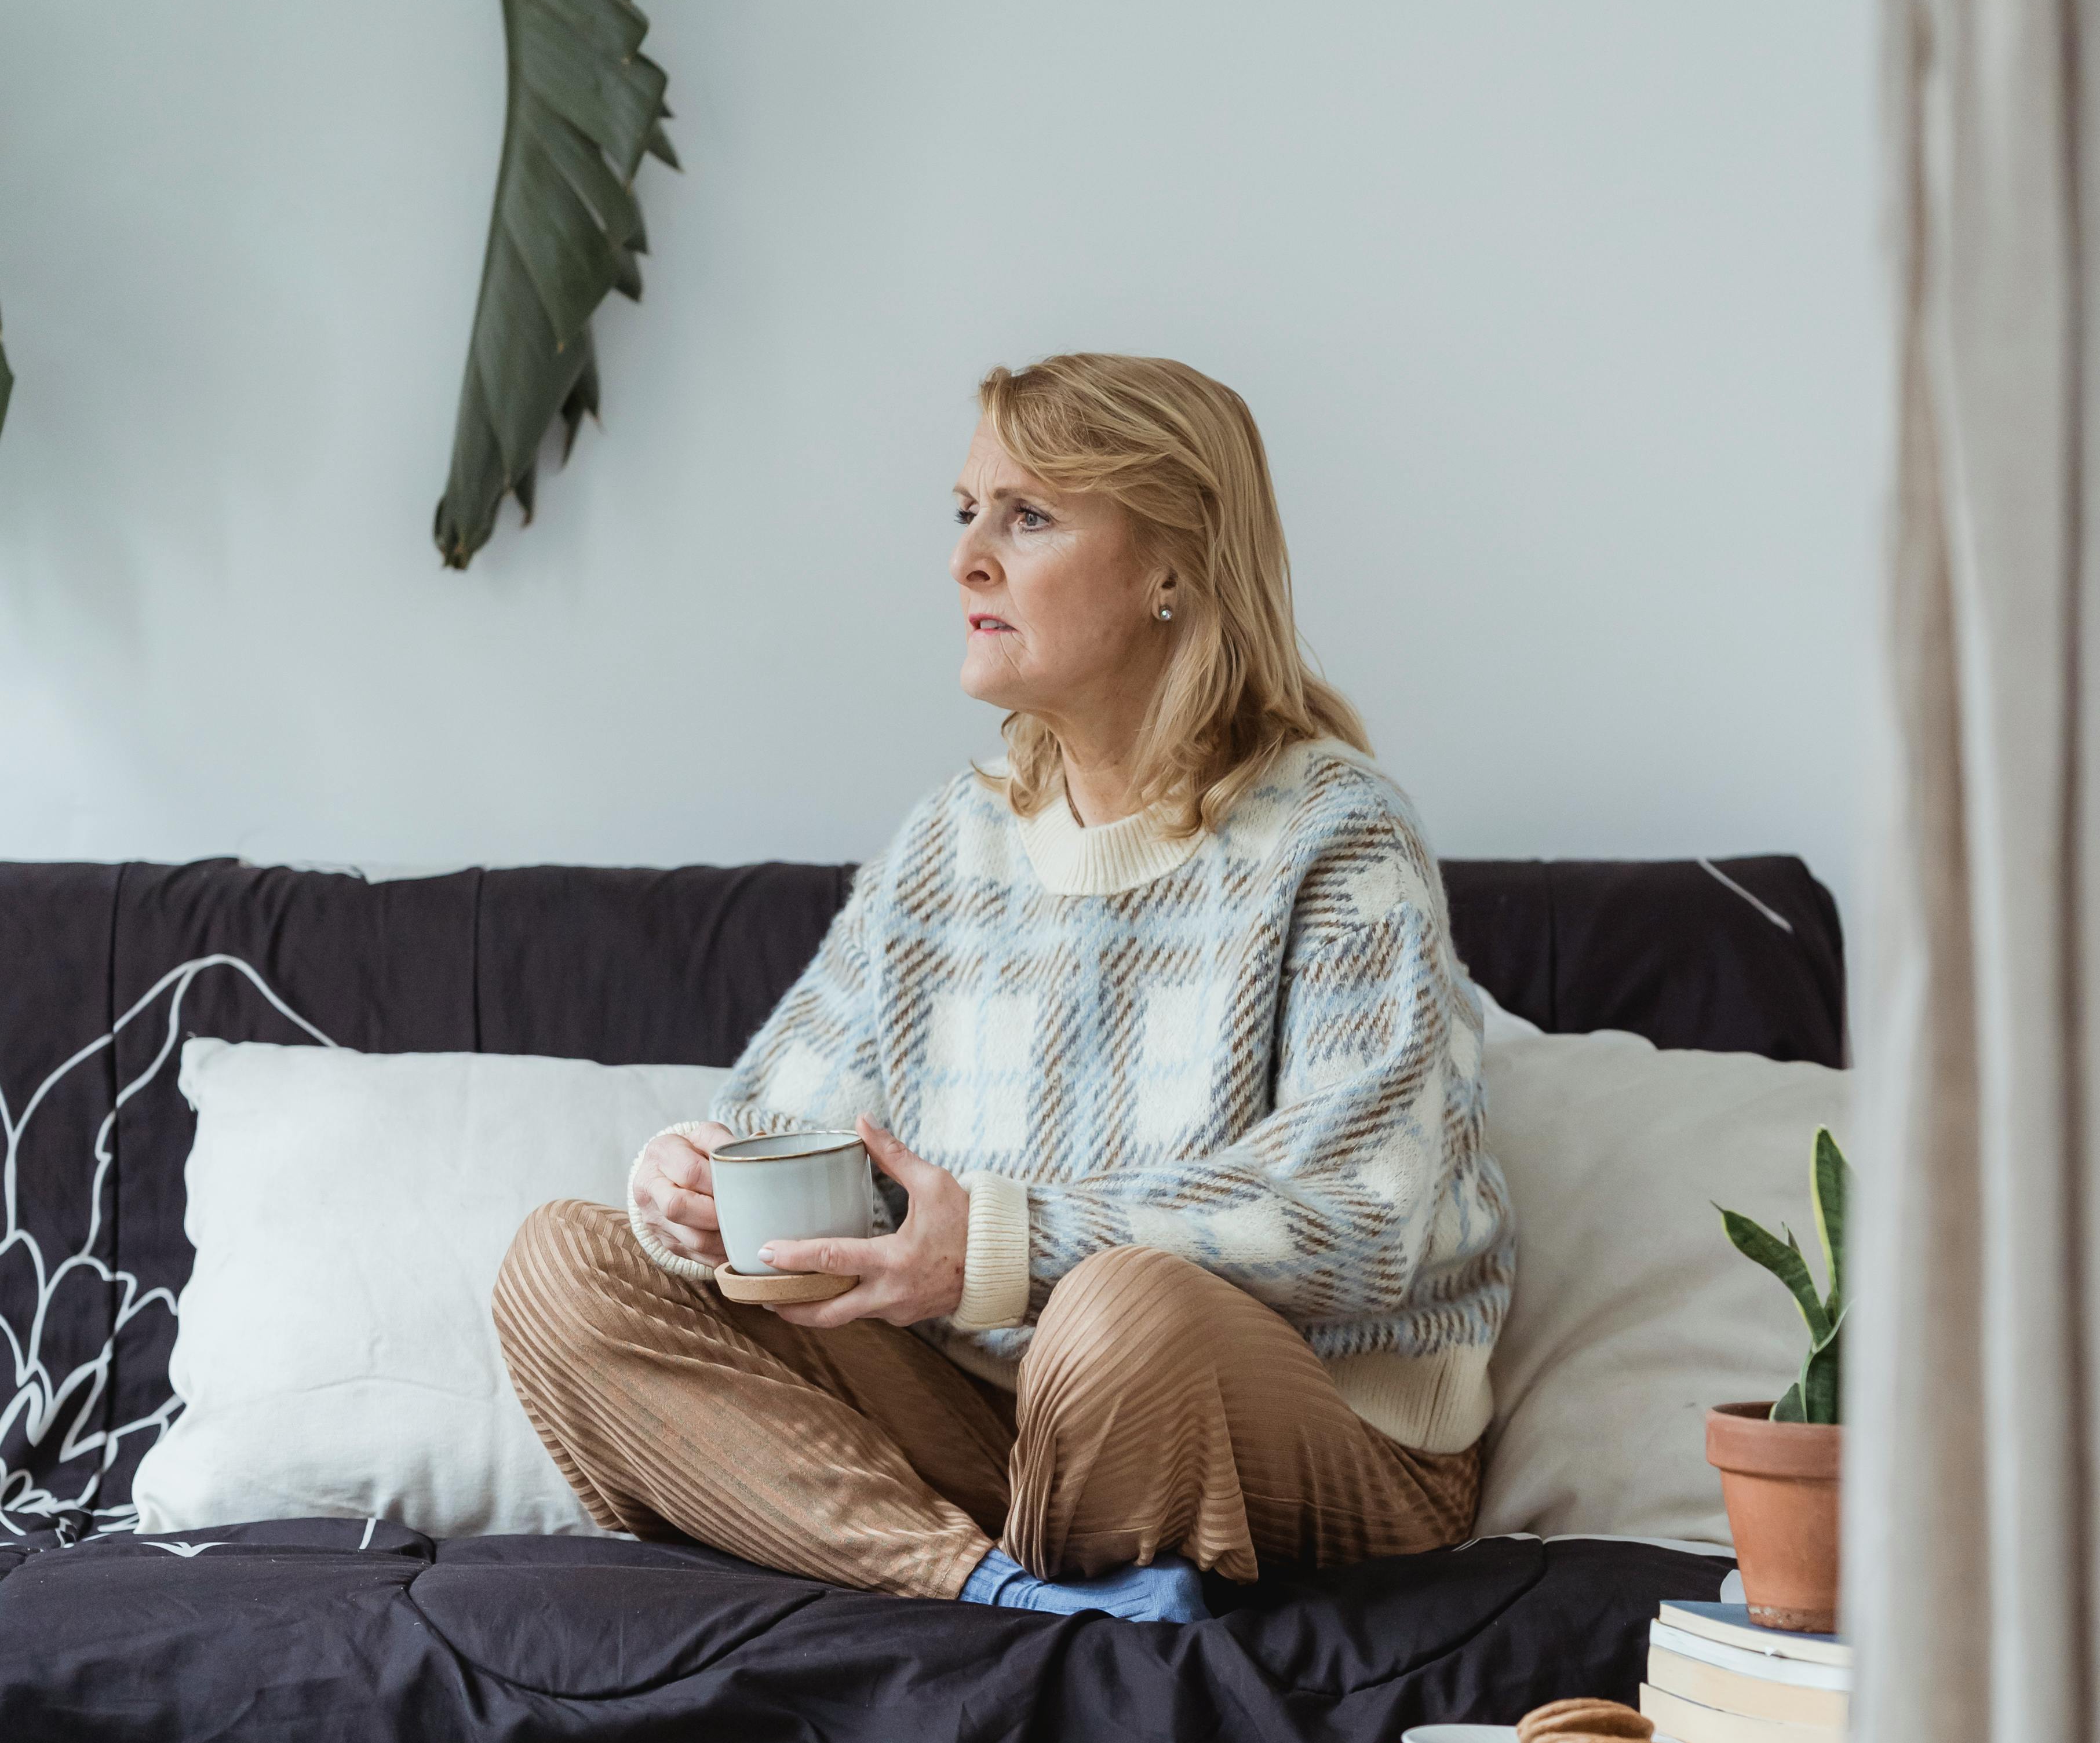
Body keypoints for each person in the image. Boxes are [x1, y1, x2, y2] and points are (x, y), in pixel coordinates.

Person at [495, 352, 1513, 1623]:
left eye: (1025, 516)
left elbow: (1360, 1220)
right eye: (965, 512)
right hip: (995, 1428)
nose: (967, 557)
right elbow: (780, 1129)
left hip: (1304, 1433)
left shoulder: (1335, 834)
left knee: (1119, 1312)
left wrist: (992, 1248)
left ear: (1171, 568)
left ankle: (971, 1571)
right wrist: (693, 1187)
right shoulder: (949, 841)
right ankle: (994, 1590)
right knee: (562, 1264)